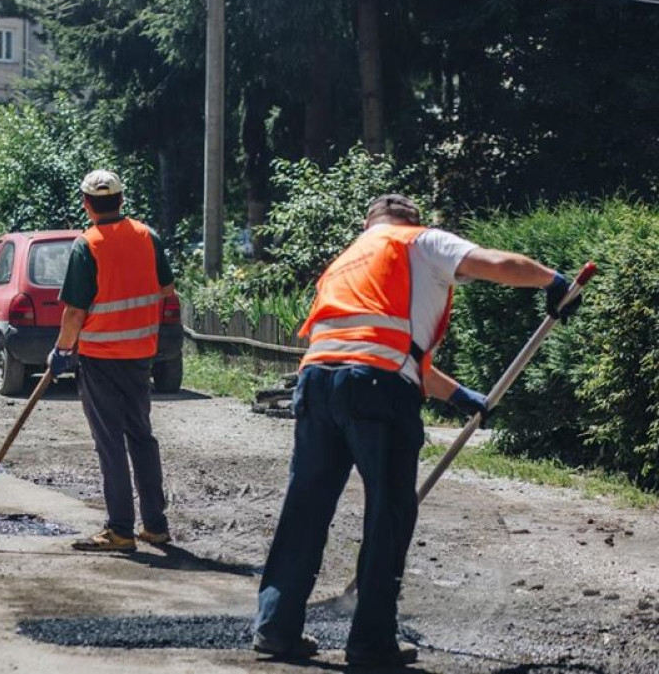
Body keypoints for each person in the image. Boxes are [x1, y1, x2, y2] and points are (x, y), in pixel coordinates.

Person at [252, 194, 582, 667]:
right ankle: (371, 643)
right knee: (388, 512)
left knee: (305, 507)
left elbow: (384, 345)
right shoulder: (417, 241)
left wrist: (458, 395)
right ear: (411, 220)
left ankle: (275, 629)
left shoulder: (347, 260)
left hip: (318, 382)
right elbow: (493, 262)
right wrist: (552, 280)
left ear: (369, 223)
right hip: (376, 390)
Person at [48, 170, 177, 554]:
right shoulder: (147, 236)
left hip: (101, 358)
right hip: (140, 356)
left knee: (110, 443)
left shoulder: (87, 245)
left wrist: (62, 350)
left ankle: (120, 530)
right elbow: (166, 290)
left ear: (86, 205)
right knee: (141, 436)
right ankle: (155, 526)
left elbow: (74, 312)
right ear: (122, 200)